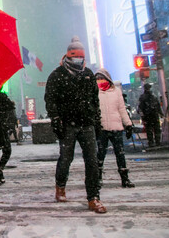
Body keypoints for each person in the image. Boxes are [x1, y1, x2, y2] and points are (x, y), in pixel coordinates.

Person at [45, 36, 106, 213]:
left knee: (92, 161)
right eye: (75, 58)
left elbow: (95, 100)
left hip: (87, 124)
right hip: (67, 125)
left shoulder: (88, 75)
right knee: (66, 158)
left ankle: (94, 197)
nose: (78, 61)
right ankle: (60, 185)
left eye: (81, 58)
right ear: (68, 57)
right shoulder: (57, 76)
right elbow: (50, 100)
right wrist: (56, 119)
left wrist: (97, 121)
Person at [94, 68, 135, 188]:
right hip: (101, 128)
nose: (99, 81)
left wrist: (128, 124)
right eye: (97, 79)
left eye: (101, 78)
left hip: (116, 127)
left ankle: (125, 178)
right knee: (100, 154)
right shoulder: (94, 91)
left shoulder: (116, 91)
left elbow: (122, 109)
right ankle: (98, 178)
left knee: (120, 153)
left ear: (107, 79)